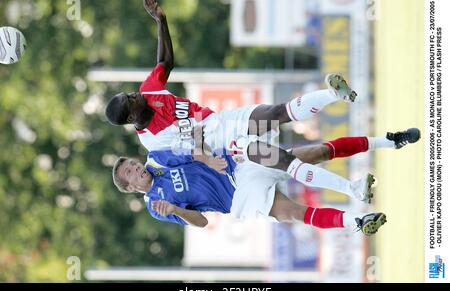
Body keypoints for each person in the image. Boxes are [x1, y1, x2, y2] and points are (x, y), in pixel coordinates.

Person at [105, 0, 421, 204]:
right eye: (131, 100)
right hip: (228, 152)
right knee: (296, 158)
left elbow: (166, 62)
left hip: (224, 122)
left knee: (277, 114)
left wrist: (161, 20)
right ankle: (351, 190)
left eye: (131, 93)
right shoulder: (153, 141)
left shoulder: (149, 91)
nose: (136, 95)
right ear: (131, 116)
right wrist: (211, 155)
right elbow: (191, 156)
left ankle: (360, 117)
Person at [111, 130, 420, 236]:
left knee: (316, 151)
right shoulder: (157, 207)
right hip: (240, 197)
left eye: (132, 164)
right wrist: (177, 210)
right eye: (130, 173)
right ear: (131, 188)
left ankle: (389, 141)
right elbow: (202, 222)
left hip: (237, 162)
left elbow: (190, 150)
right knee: (296, 213)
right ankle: (358, 220)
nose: (136, 168)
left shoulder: (158, 158)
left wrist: (206, 159)